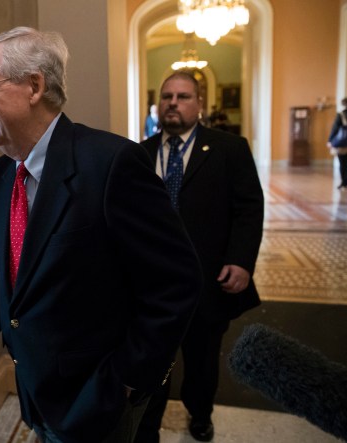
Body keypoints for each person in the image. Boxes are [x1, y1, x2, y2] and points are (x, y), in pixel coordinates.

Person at [0, 27, 203, 443]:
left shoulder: (111, 164)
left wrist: (126, 380)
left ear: (33, 86)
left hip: (99, 397)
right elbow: (1, 274)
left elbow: (176, 284)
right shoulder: (3, 172)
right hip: (36, 388)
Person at [135, 71, 265, 443]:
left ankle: (200, 413)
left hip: (208, 280)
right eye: (167, 97)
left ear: (200, 105)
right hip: (151, 284)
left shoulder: (229, 149)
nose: (173, 103)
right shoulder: (139, 153)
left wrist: (241, 260)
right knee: (152, 358)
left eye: (183, 96)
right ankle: (148, 423)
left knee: (202, 358)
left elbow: (248, 209)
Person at [327, 97, 347, 189]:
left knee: (342, 162)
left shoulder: (341, 114)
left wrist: (330, 140)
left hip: (342, 142)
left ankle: (344, 182)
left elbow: (335, 129)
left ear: (342, 104)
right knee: (346, 160)